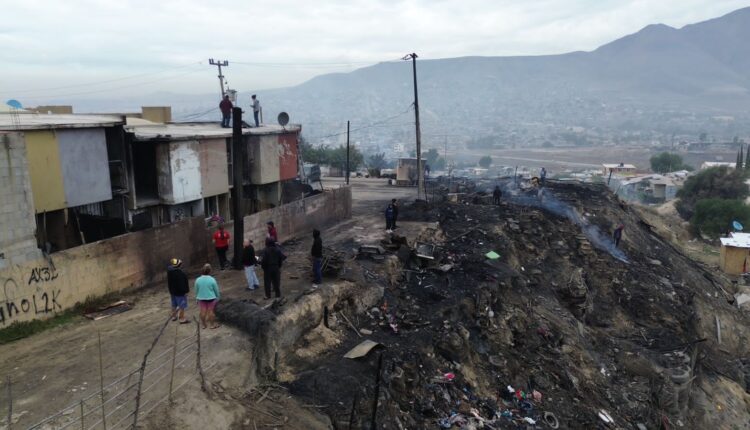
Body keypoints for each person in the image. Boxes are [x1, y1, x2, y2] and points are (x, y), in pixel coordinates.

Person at [195, 264, 220, 329]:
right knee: (210, 311)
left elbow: (196, 290)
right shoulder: (212, 279)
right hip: (211, 298)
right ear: (210, 271)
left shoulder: (198, 280)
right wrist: (218, 297)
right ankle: (212, 325)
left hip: (201, 298)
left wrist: (196, 298)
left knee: (202, 311)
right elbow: (216, 290)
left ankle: (204, 325)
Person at [167, 258, 190, 324]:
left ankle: (174, 316)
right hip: (180, 293)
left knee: (174, 304)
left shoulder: (169, 271)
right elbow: (182, 284)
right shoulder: (180, 274)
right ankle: (182, 319)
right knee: (182, 305)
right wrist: (185, 291)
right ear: (179, 265)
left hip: (172, 292)